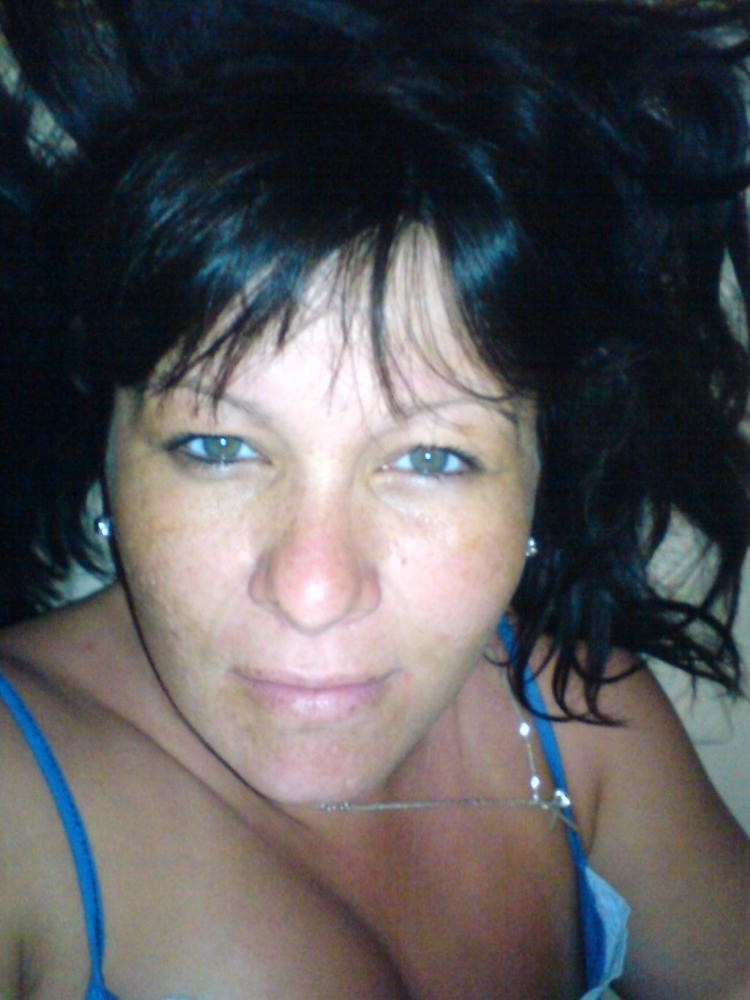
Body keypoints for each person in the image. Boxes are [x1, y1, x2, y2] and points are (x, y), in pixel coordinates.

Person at [0, 1, 748, 997]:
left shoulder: (582, 719)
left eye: (431, 457)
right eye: (218, 447)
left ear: (536, 479)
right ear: (109, 453)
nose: (313, 590)